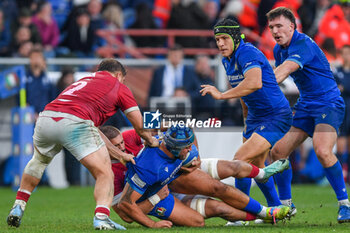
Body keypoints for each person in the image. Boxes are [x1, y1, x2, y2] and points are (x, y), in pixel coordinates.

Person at [7, 59, 159, 230]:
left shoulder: (82, 82)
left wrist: (120, 154)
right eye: (123, 79)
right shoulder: (118, 86)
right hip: (75, 122)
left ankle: (18, 206)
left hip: (47, 118)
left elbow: (93, 129)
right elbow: (139, 125)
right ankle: (101, 217)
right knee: (104, 173)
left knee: (38, 161)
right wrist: (152, 140)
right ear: (118, 75)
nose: (122, 82)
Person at [99, 125, 291, 227]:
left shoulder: (134, 135)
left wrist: (196, 156)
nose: (122, 148)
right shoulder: (119, 172)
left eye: (121, 143)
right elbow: (125, 213)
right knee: (207, 214)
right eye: (115, 147)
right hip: (158, 193)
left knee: (223, 181)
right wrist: (155, 209)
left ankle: (264, 189)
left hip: (175, 171)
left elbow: (180, 126)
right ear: (106, 149)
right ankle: (263, 216)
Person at [266, 6, 350, 223]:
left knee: (322, 151)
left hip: (328, 103)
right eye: (271, 27)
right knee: (278, 152)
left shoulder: (302, 44)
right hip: (306, 105)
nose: (275, 31)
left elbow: (282, 72)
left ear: (292, 27)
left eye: (279, 26)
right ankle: (286, 206)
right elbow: (278, 79)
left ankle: (345, 205)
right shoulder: (278, 49)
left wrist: (253, 85)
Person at [200, 18, 293, 211]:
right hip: (255, 117)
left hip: (276, 115)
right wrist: (246, 119)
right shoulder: (227, 60)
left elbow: (254, 83)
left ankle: (243, 213)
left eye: (224, 38)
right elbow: (244, 91)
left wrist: (221, 95)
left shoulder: (247, 52)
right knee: (256, 167)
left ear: (235, 37)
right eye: (217, 40)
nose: (220, 44)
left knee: (240, 160)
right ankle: (278, 208)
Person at [334, 44, 350, 183]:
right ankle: (338, 178)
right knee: (340, 145)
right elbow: (335, 89)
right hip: (342, 111)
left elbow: (344, 87)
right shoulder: (337, 72)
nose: (346, 56)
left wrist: (344, 87)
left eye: (348, 53)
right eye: (344, 53)